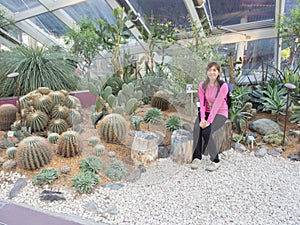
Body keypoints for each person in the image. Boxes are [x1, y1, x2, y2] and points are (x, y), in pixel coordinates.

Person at [191, 61, 228, 171]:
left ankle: (215, 160)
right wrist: (202, 118)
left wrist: (209, 121)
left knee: (207, 130)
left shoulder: (223, 86)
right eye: (210, 70)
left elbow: (217, 105)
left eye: (214, 70)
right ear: (207, 72)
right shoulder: (202, 85)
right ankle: (197, 157)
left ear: (218, 72)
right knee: (197, 128)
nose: (212, 72)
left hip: (220, 113)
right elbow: (202, 103)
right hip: (206, 112)